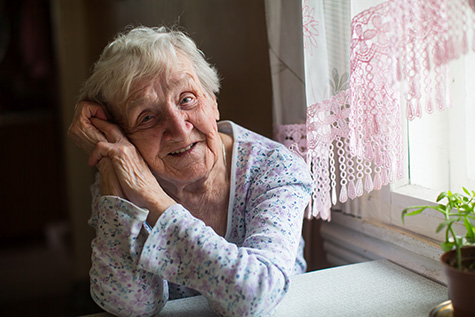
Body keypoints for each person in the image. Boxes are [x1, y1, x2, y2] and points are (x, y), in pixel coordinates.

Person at [68, 26, 312, 316]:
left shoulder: (275, 169)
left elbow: (255, 295)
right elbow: (130, 305)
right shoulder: (126, 177)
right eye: (147, 117)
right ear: (125, 139)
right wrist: (110, 162)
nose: (179, 129)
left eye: (187, 99)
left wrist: (155, 201)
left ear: (213, 102)